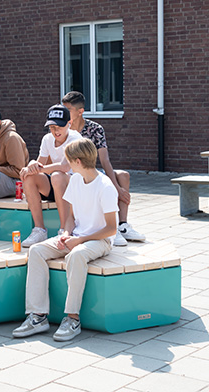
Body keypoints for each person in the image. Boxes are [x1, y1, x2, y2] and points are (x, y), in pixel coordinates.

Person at [13, 138, 118, 341]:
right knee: (36, 250)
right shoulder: (76, 180)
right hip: (77, 236)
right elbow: (70, 217)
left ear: (77, 161)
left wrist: (79, 241)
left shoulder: (105, 187)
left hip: (100, 240)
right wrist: (67, 234)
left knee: (76, 256)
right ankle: (38, 316)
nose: (66, 164)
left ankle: (72, 318)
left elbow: (111, 228)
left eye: (68, 160)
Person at [61, 91, 145, 246]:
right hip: (72, 171)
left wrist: (117, 188)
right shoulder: (62, 127)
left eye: (68, 110)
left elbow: (105, 160)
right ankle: (113, 228)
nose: (64, 114)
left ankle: (121, 226)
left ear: (80, 112)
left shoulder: (95, 129)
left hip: (91, 170)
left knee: (123, 175)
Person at [20, 104, 82, 248]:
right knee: (30, 177)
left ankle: (64, 230)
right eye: (52, 127)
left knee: (57, 175)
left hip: (74, 187)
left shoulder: (75, 138)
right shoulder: (47, 139)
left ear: (69, 123)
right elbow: (39, 166)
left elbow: (65, 166)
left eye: (59, 126)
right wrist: (31, 166)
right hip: (56, 187)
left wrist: (37, 168)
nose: (55, 131)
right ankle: (39, 229)